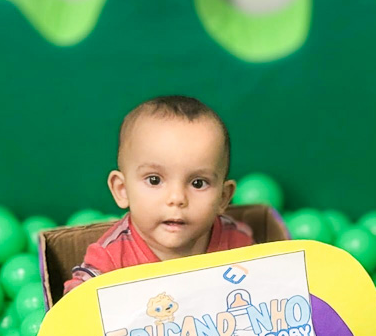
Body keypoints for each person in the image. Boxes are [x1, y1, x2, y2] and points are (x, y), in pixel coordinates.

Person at [63, 95, 254, 294]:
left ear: (223, 198)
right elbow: (74, 302)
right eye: (154, 180)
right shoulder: (110, 259)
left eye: (198, 183)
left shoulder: (237, 243)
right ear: (122, 189)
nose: (177, 198)